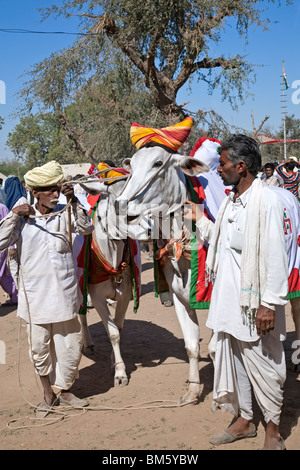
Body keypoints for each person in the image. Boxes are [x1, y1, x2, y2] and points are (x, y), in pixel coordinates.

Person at [185, 135, 289, 450]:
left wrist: (268, 305)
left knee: (266, 365)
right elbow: (220, 240)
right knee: (237, 361)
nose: (219, 169)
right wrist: (200, 218)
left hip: (256, 305)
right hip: (231, 305)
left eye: (224, 164)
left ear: (241, 167)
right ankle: (244, 420)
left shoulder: (266, 201)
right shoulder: (232, 201)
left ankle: (273, 430)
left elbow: (275, 255)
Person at [0, 160, 94, 418]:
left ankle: (64, 390)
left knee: (70, 347)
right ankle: (47, 395)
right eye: (50, 190)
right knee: (39, 349)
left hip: (64, 295)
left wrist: (74, 202)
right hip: (35, 299)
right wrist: (13, 215)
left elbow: (86, 228)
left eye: (58, 189)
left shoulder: (66, 212)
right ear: (35, 192)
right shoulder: (21, 220)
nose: (55, 194)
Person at [4, 176, 29, 288]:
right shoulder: (16, 200)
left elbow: (19, 226)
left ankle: (21, 296)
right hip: (16, 241)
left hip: (19, 242)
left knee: (18, 270)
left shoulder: (20, 202)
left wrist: (12, 246)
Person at [0, 202, 18, 307]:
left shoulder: (2, 208)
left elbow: (11, 227)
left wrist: (12, 246)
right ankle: (15, 296)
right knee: (4, 275)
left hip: (1, 246)